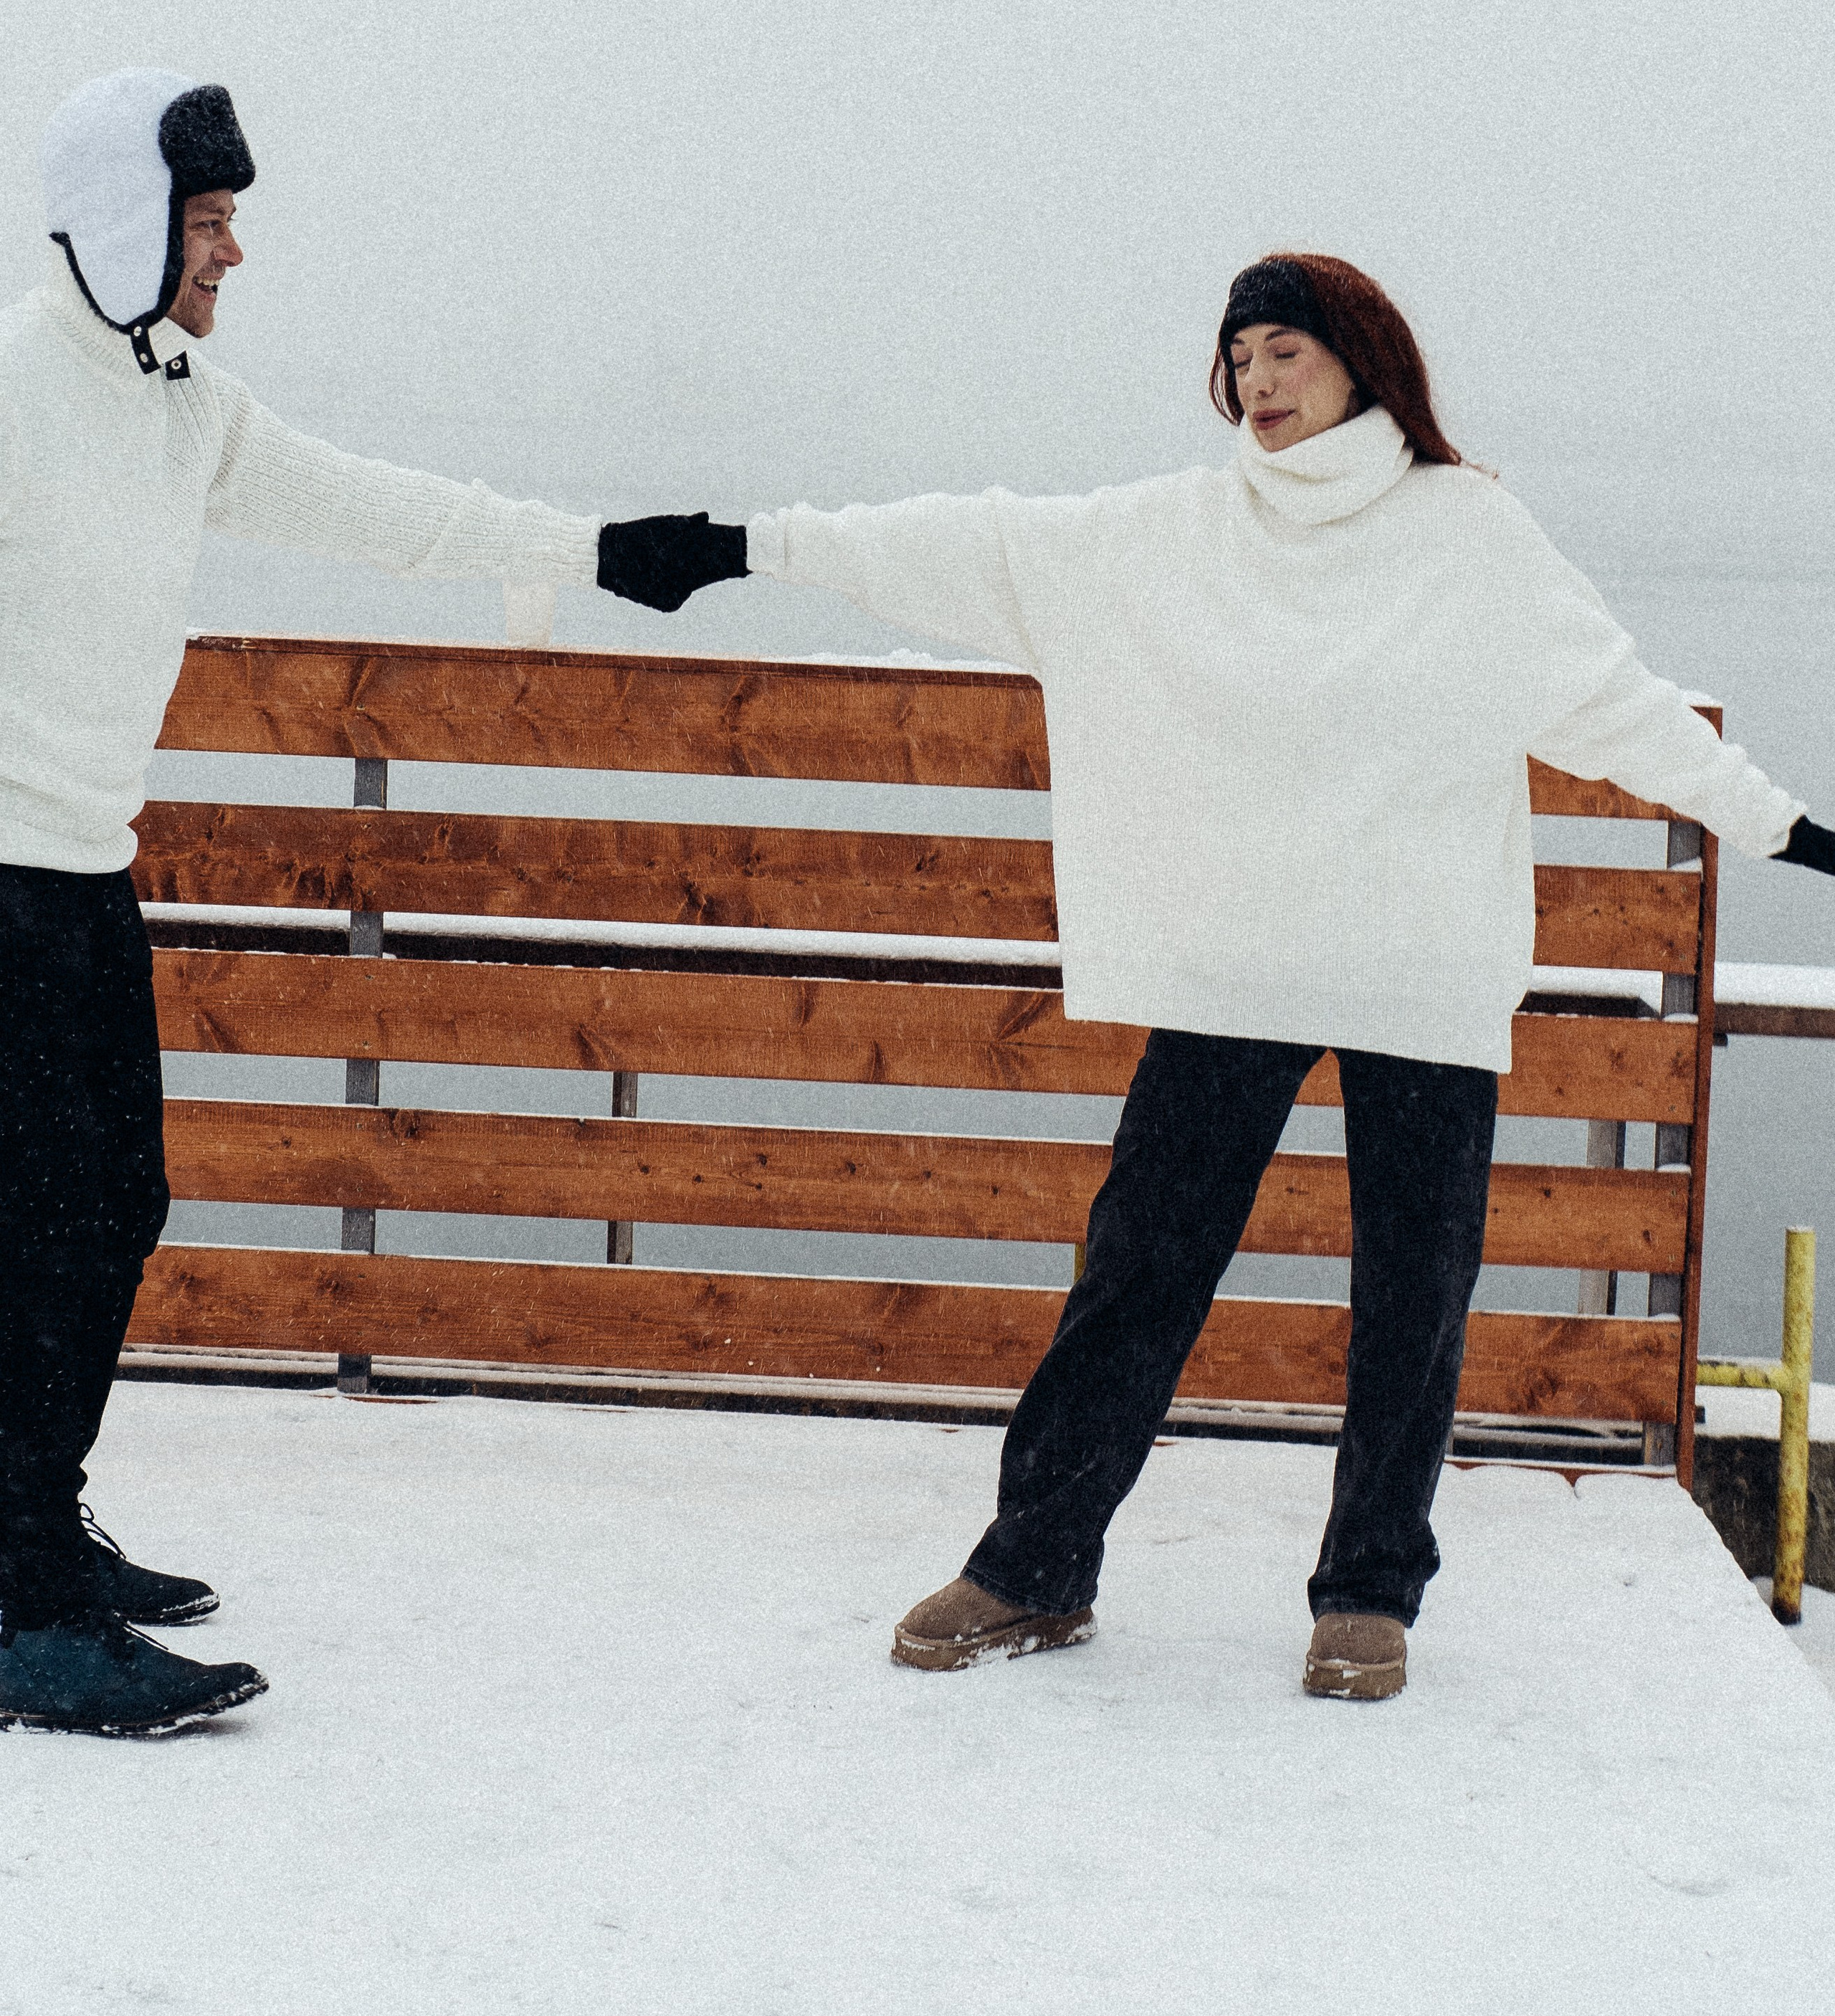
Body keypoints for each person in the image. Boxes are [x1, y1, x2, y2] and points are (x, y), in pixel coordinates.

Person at [598, 251, 1835, 1698]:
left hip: (1417, 968)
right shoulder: (1178, 532)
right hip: (1236, 966)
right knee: (1139, 1271)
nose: (1257, 381)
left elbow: (1615, 706)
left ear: (1360, 360)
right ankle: (1033, 1567)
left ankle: (1367, 1592)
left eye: (1285, 351)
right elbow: (968, 544)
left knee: (1412, 1296)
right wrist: (737, 544)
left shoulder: (1467, 535)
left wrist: (1789, 832)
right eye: (1239, 356)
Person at [0, 68, 643, 1736]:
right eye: (209, 220)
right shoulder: (15, 386)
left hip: (77, 870)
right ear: (126, 222)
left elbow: (375, 509)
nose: (233, 252)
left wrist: (588, 548)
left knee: (111, 1206)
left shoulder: (178, 402)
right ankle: (19, 1603)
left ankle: (33, 1524)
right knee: (36, 1229)